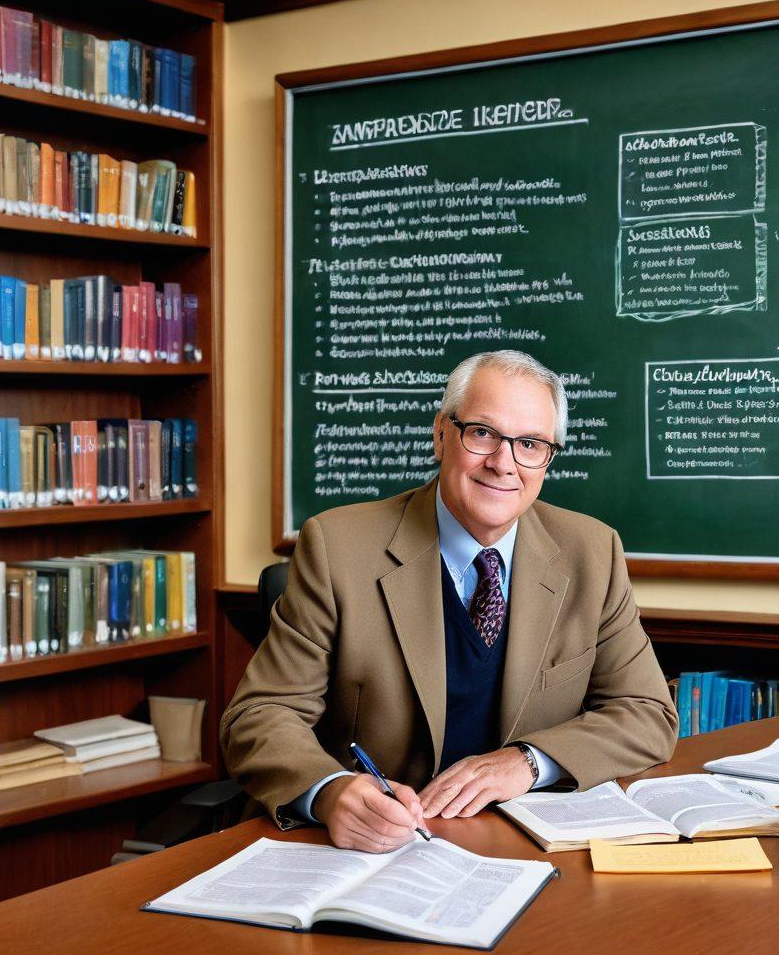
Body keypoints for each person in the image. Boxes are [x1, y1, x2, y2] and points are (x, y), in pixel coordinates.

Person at [221, 349, 677, 853]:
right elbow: (260, 713)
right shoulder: (337, 547)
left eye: (530, 444)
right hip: (364, 845)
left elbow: (646, 712)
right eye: (482, 433)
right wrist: (330, 793)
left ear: (547, 459)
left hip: (518, 844)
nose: (504, 463)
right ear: (442, 434)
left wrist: (526, 762)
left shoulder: (591, 552)